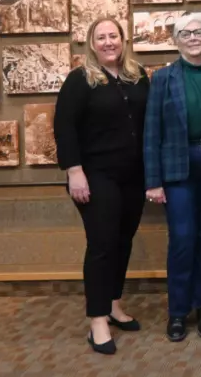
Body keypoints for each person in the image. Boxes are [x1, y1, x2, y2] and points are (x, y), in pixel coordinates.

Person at [55, 18, 150, 355]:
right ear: (91, 43)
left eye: (114, 36)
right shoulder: (80, 80)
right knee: (102, 244)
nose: (108, 42)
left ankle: (112, 304)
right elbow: (64, 128)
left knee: (123, 241)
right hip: (95, 177)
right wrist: (74, 171)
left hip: (133, 176)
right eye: (101, 37)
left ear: (123, 40)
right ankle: (97, 319)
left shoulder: (137, 76)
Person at [143, 14, 201, 343]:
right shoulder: (163, 78)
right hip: (177, 168)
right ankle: (178, 310)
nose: (194, 37)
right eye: (186, 33)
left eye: (200, 32)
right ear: (176, 40)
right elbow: (152, 132)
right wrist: (153, 181)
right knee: (182, 239)